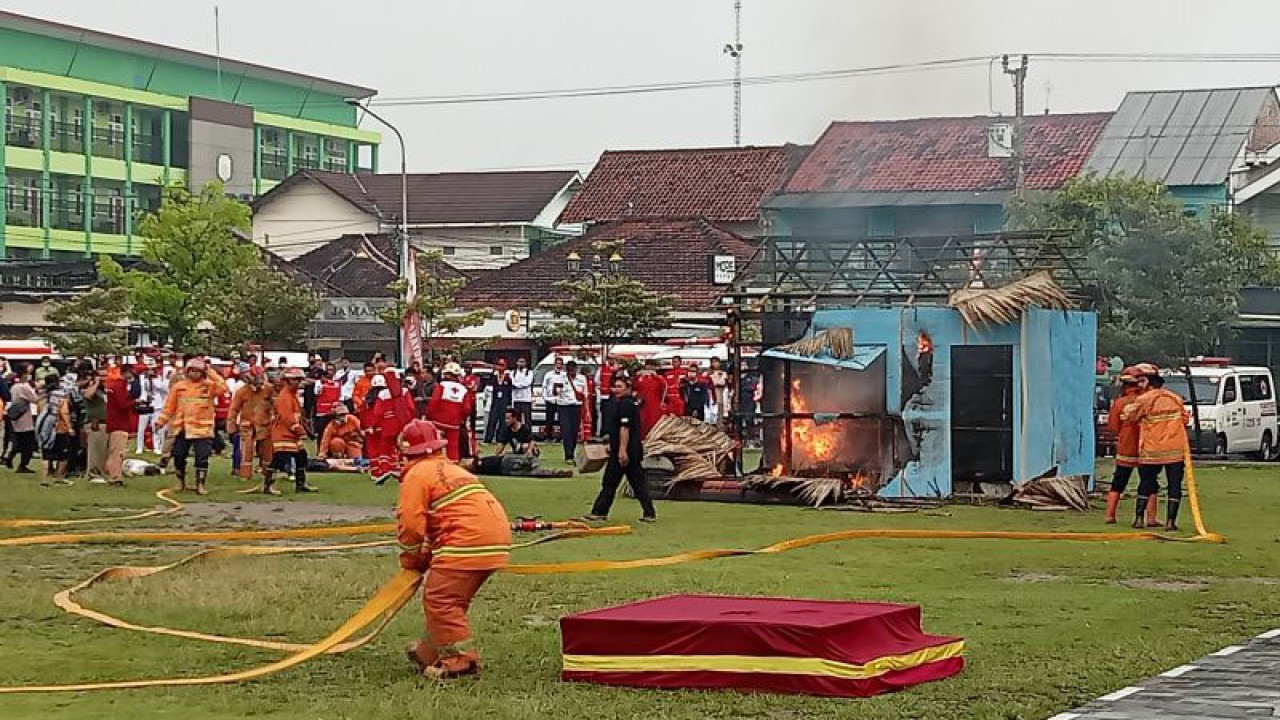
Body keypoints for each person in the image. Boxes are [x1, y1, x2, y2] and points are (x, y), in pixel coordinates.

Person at [397, 419, 512, 679]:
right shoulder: (453, 470)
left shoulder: (417, 474)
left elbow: (411, 525)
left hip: (466, 543)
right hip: (494, 538)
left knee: (442, 600)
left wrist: (411, 559)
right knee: (451, 599)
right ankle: (427, 652)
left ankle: (461, 661)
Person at [1123, 363, 1189, 531]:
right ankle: (1171, 522)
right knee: (1174, 485)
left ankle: (1139, 519)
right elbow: (1185, 420)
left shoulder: (1145, 399)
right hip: (1175, 450)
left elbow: (1130, 417)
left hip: (1152, 450)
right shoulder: (1175, 398)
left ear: (1150, 384)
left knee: (1146, 483)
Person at [585, 376, 657, 523]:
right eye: (614, 387)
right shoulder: (628, 403)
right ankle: (649, 512)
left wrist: (622, 451)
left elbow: (625, 429)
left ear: (628, 388)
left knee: (610, 482)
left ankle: (599, 512)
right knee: (637, 482)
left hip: (626, 451)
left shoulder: (626, 405)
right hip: (629, 450)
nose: (615, 390)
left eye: (619, 387)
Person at [156, 358, 227, 495]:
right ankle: (180, 482)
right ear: (187, 371)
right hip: (183, 428)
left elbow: (223, 387)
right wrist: (161, 421)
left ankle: (200, 484)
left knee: (202, 457)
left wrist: (209, 370)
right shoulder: (179, 387)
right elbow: (169, 407)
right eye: (192, 371)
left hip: (202, 429)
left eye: (198, 371)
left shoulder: (209, 386)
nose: (195, 374)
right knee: (178, 455)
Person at [1104, 367, 1152, 524]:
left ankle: (1110, 515)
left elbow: (1112, 427)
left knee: (1118, 482)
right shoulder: (1148, 400)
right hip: (1147, 447)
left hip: (1126, 448)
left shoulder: (1119, 403)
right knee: (1150, 482)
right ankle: (1151, 518)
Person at [269, 367, 318, 495]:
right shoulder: (284, 396)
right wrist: (299, 431)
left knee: (301, 457)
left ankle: (301, 484)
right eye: (295, 380)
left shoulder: (292, 395)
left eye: (299, 380)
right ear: (287, 381)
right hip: (283, 433)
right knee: (279, 459)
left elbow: (297, 415)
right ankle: (268, 485)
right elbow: (287, 417)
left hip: (292, 434)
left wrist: (304, 427)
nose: (298, 382)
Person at [229, 366, 276, 484]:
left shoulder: (269, 389)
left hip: (265, 425)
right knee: (246, 451)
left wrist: (275, 419)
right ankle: (245, 475)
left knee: (267, 452)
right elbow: (233, 409)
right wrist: (231, 425)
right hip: (247, 426)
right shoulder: (242, 392)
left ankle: (268, 475)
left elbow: (276, 405)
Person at [362, 373, 411, 485]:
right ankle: (403, 472)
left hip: (386, 426)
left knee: (384, 450)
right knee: (402, 450)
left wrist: (373, 426)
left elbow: (377, 412)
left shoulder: (381, 395)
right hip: (402, 425)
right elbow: (411, 408)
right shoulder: (404, 391)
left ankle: (383, 471)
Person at [426, 363, 475, 463]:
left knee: (436, 444)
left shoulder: (442, 386)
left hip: (438, 421)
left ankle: (434, 463)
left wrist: (429, 416)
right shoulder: (464, 389)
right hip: (454, 423)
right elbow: (467, 409)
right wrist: (461, 419)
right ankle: (453, 466)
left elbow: (433, 402)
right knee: (453, 447)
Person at [103, 363, 134, 485]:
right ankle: (115, 477)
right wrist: (134, 402)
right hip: (119, 423)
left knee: (113, 451)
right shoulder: (120, 385)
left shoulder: (112, 385)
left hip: (112, 421)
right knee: (118, 452)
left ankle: (113, 473)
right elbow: (122, 404)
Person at [551, 361, 587, 463]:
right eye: (569, 370)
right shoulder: (560, 378)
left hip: (576, 407)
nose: (571, 372)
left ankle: (572, 452)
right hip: (564, 407)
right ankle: (568, 455)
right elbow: (555, 393)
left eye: (573, 370)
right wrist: (556, 388)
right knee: (566, 431)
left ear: (576, 369)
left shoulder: (581, 379)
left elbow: (585, 394)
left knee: (574, 432)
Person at [81, 365, 109, 483]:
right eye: (101, 375)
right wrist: (96, 382)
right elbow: (87, 395)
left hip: (107, 423)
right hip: (95, 423)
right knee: (95, 450)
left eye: (105, 375)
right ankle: (93, 474)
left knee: (103, 451)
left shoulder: (105, 391)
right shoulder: (90, 388)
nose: (103, 378)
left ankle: (102, 472)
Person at [5, 375, 38, 473]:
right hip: (25, 417)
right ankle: (23, 465)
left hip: (15, 416)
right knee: (28, 444)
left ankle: (10, 456)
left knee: (18, 440)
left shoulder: (14, 387)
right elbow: (35, 399)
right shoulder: (24, 387)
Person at [633, 360, 668, 440]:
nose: (649, 368)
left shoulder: (659, 378)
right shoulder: (640, 378)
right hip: (643, 405)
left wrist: (662, 402)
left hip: (654, 406)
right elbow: (634, 388)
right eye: (648, 366)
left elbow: (665, 388)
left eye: (652, 366)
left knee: (653, 424)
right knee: (642, 423)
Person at [133, 362, 161, 455]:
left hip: (156, 404)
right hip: (144, 404)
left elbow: (162, 389)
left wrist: (155, 380)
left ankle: (156, 447)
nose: (150, 371)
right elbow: (137, 389)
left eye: (152, 370)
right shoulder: (140, 378)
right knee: (141, 427)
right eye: (148, 369)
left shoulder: (158, 379)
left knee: (155, 427)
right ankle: (139, 447)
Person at [484, 359, 513, 444]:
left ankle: (500, 439)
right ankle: (488, 439)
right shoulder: (494, 377)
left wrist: (509, 404)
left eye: (502, 365)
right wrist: (494, 371)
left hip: (504, 402)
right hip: (495, 401)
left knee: (502, 422)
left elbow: (509, 391)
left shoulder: (508, 378)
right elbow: (489, 384)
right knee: (492, 420)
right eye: (499, 365)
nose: (500, 367)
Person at [540, 357, 568, 440]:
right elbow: (544, 386)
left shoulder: (565, 375)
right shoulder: (548, 374)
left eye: (560, 364)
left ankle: (561, 436)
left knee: (562, 419)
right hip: (550, 399)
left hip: (561, 400)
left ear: (562, 365)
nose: (558, 365)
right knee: (549, 419)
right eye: (557, 363)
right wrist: (545, 397)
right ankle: (548, 436)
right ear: (554, 364)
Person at [510, 357, 534, 431]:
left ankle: (528, 435)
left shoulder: (529, 372)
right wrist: (519, 385)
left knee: (527, 419)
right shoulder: (513, 373)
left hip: (526, 399)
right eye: (520, 361)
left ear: (525, 363)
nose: (521, 363)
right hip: (516, 399)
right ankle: (518, 434)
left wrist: (518, 385)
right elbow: (512, 382)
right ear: (517, 363)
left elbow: (528, 382)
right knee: (517, 418)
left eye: (523, 362)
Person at [708, 357, 730, 425]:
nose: (715, 363)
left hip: (720, 396)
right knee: (710, 415)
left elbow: (723, 383)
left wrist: (717, 381)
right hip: (710, 396)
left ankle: (719, 427)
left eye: (716, 362)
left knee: (719, 413)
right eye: (713, 362)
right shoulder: (707, 373)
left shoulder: (724, 373)